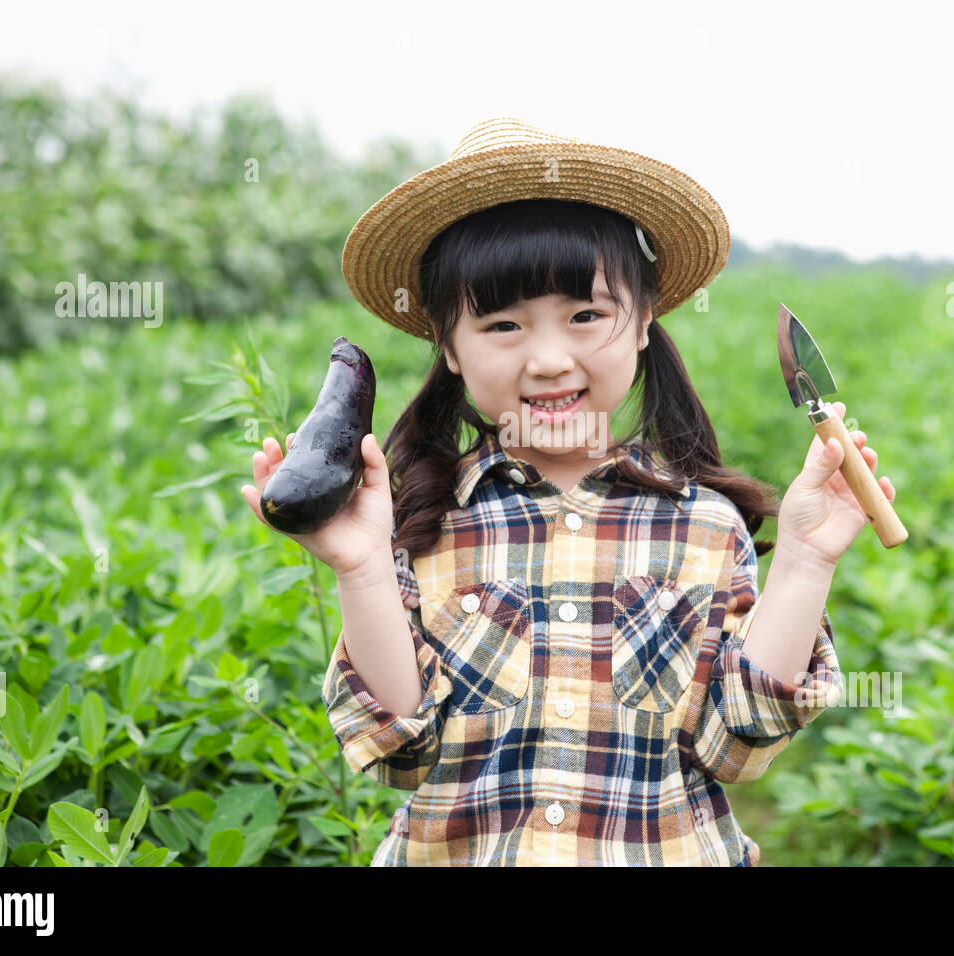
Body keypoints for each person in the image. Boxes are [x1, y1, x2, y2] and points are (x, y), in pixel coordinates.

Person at [241, 117, 896, 866]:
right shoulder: (423, 525)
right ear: (448, 348)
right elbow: (400, 752)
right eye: (502, 325)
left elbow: (736, 745)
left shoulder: (704, 528)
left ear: (644, 320)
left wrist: (807, 560)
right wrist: (358, 568)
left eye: (586, 315)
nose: (550, 360)